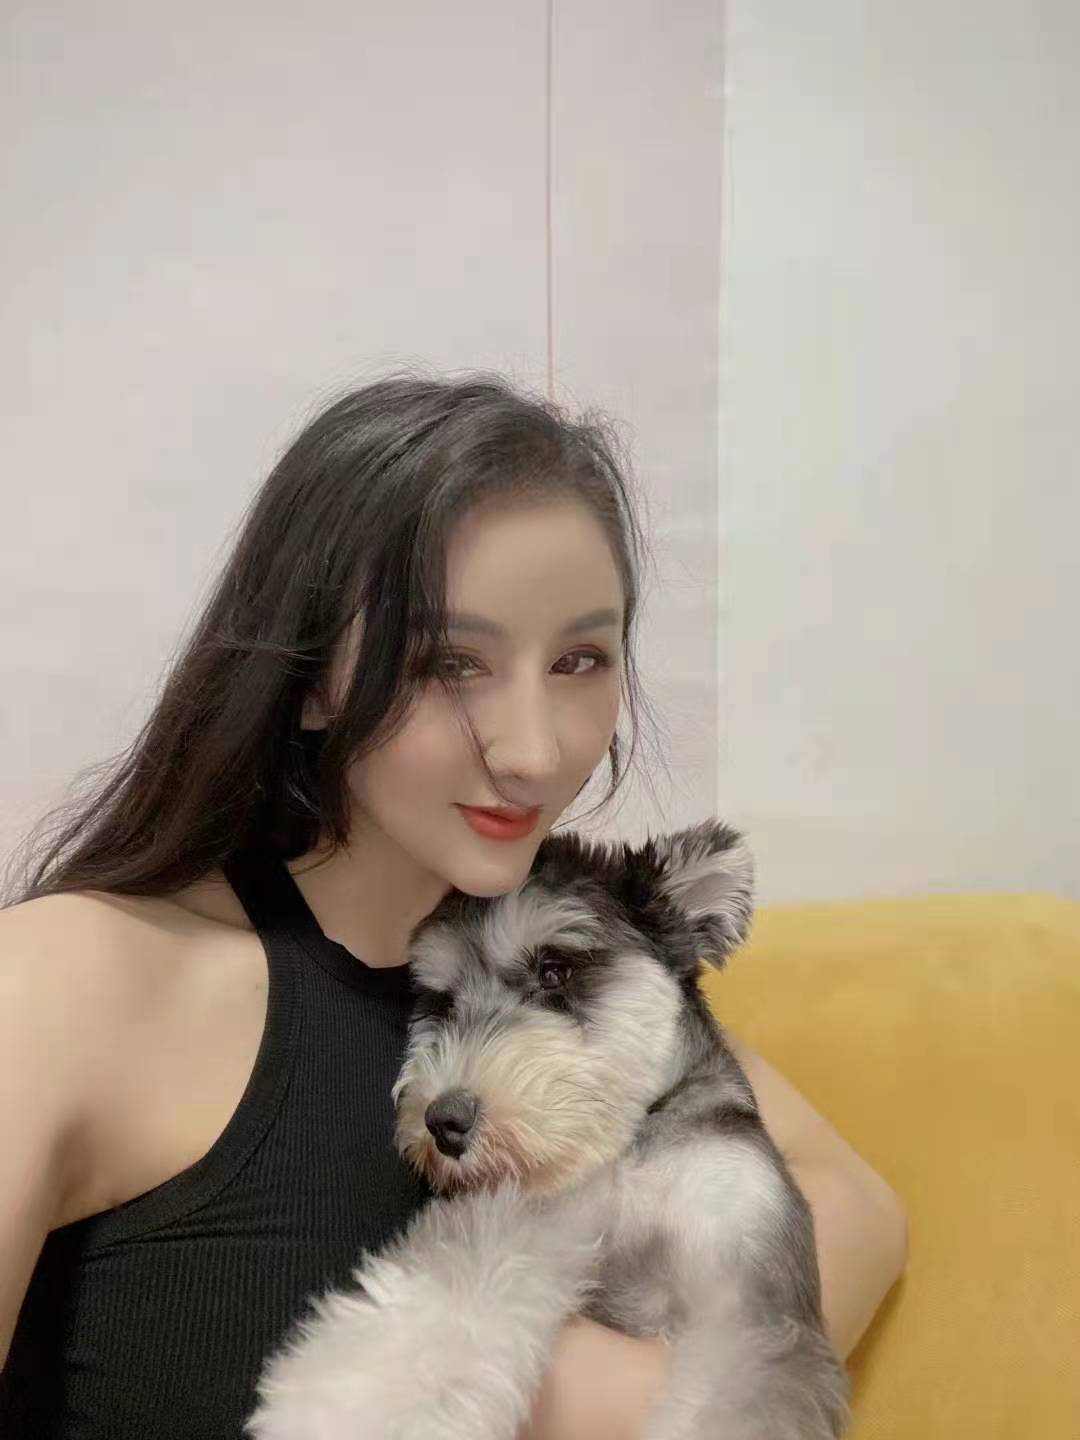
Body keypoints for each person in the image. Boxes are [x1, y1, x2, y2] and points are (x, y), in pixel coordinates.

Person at [0, 374, 907, 1439]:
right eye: (450, 662)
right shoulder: (68, 978)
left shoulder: (563, 973)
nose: (533, 750)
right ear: (310, 677)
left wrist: (554, 1379)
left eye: (579, 659)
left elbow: (856, 1205)